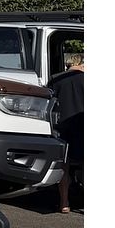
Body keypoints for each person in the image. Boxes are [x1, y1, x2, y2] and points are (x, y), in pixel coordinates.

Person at [49, 60, 84, 214]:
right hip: (83, 125)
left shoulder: (55, 79)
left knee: (64, 167)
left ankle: (64, 203)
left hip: (61, 126)